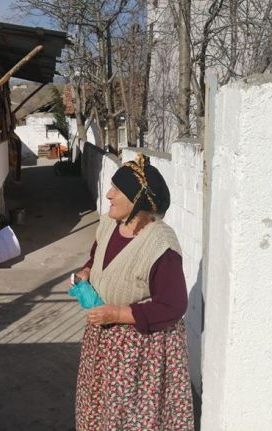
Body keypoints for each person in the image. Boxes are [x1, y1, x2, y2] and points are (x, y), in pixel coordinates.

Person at [73, 154, 194, 430]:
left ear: (137, 200)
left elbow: (173, 305)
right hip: (103, 342)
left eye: (117, 190)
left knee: (131, 418)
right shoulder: (109, 225)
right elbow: (97, 257)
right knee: (100, 412)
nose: (108, 194)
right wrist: (86, 272)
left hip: (139, 350)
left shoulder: (160, 245)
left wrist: (116, 313)